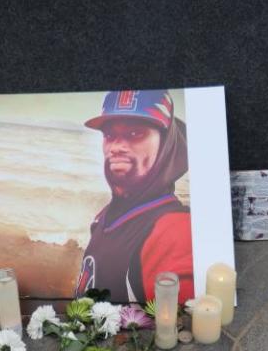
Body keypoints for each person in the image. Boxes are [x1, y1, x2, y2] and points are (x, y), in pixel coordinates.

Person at [75, 89, 194, 304]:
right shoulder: (107, 214)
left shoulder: (175, 231)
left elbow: (176, 325)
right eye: (110, 135)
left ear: (166, 144)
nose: (116, 147)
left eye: (134, 134)